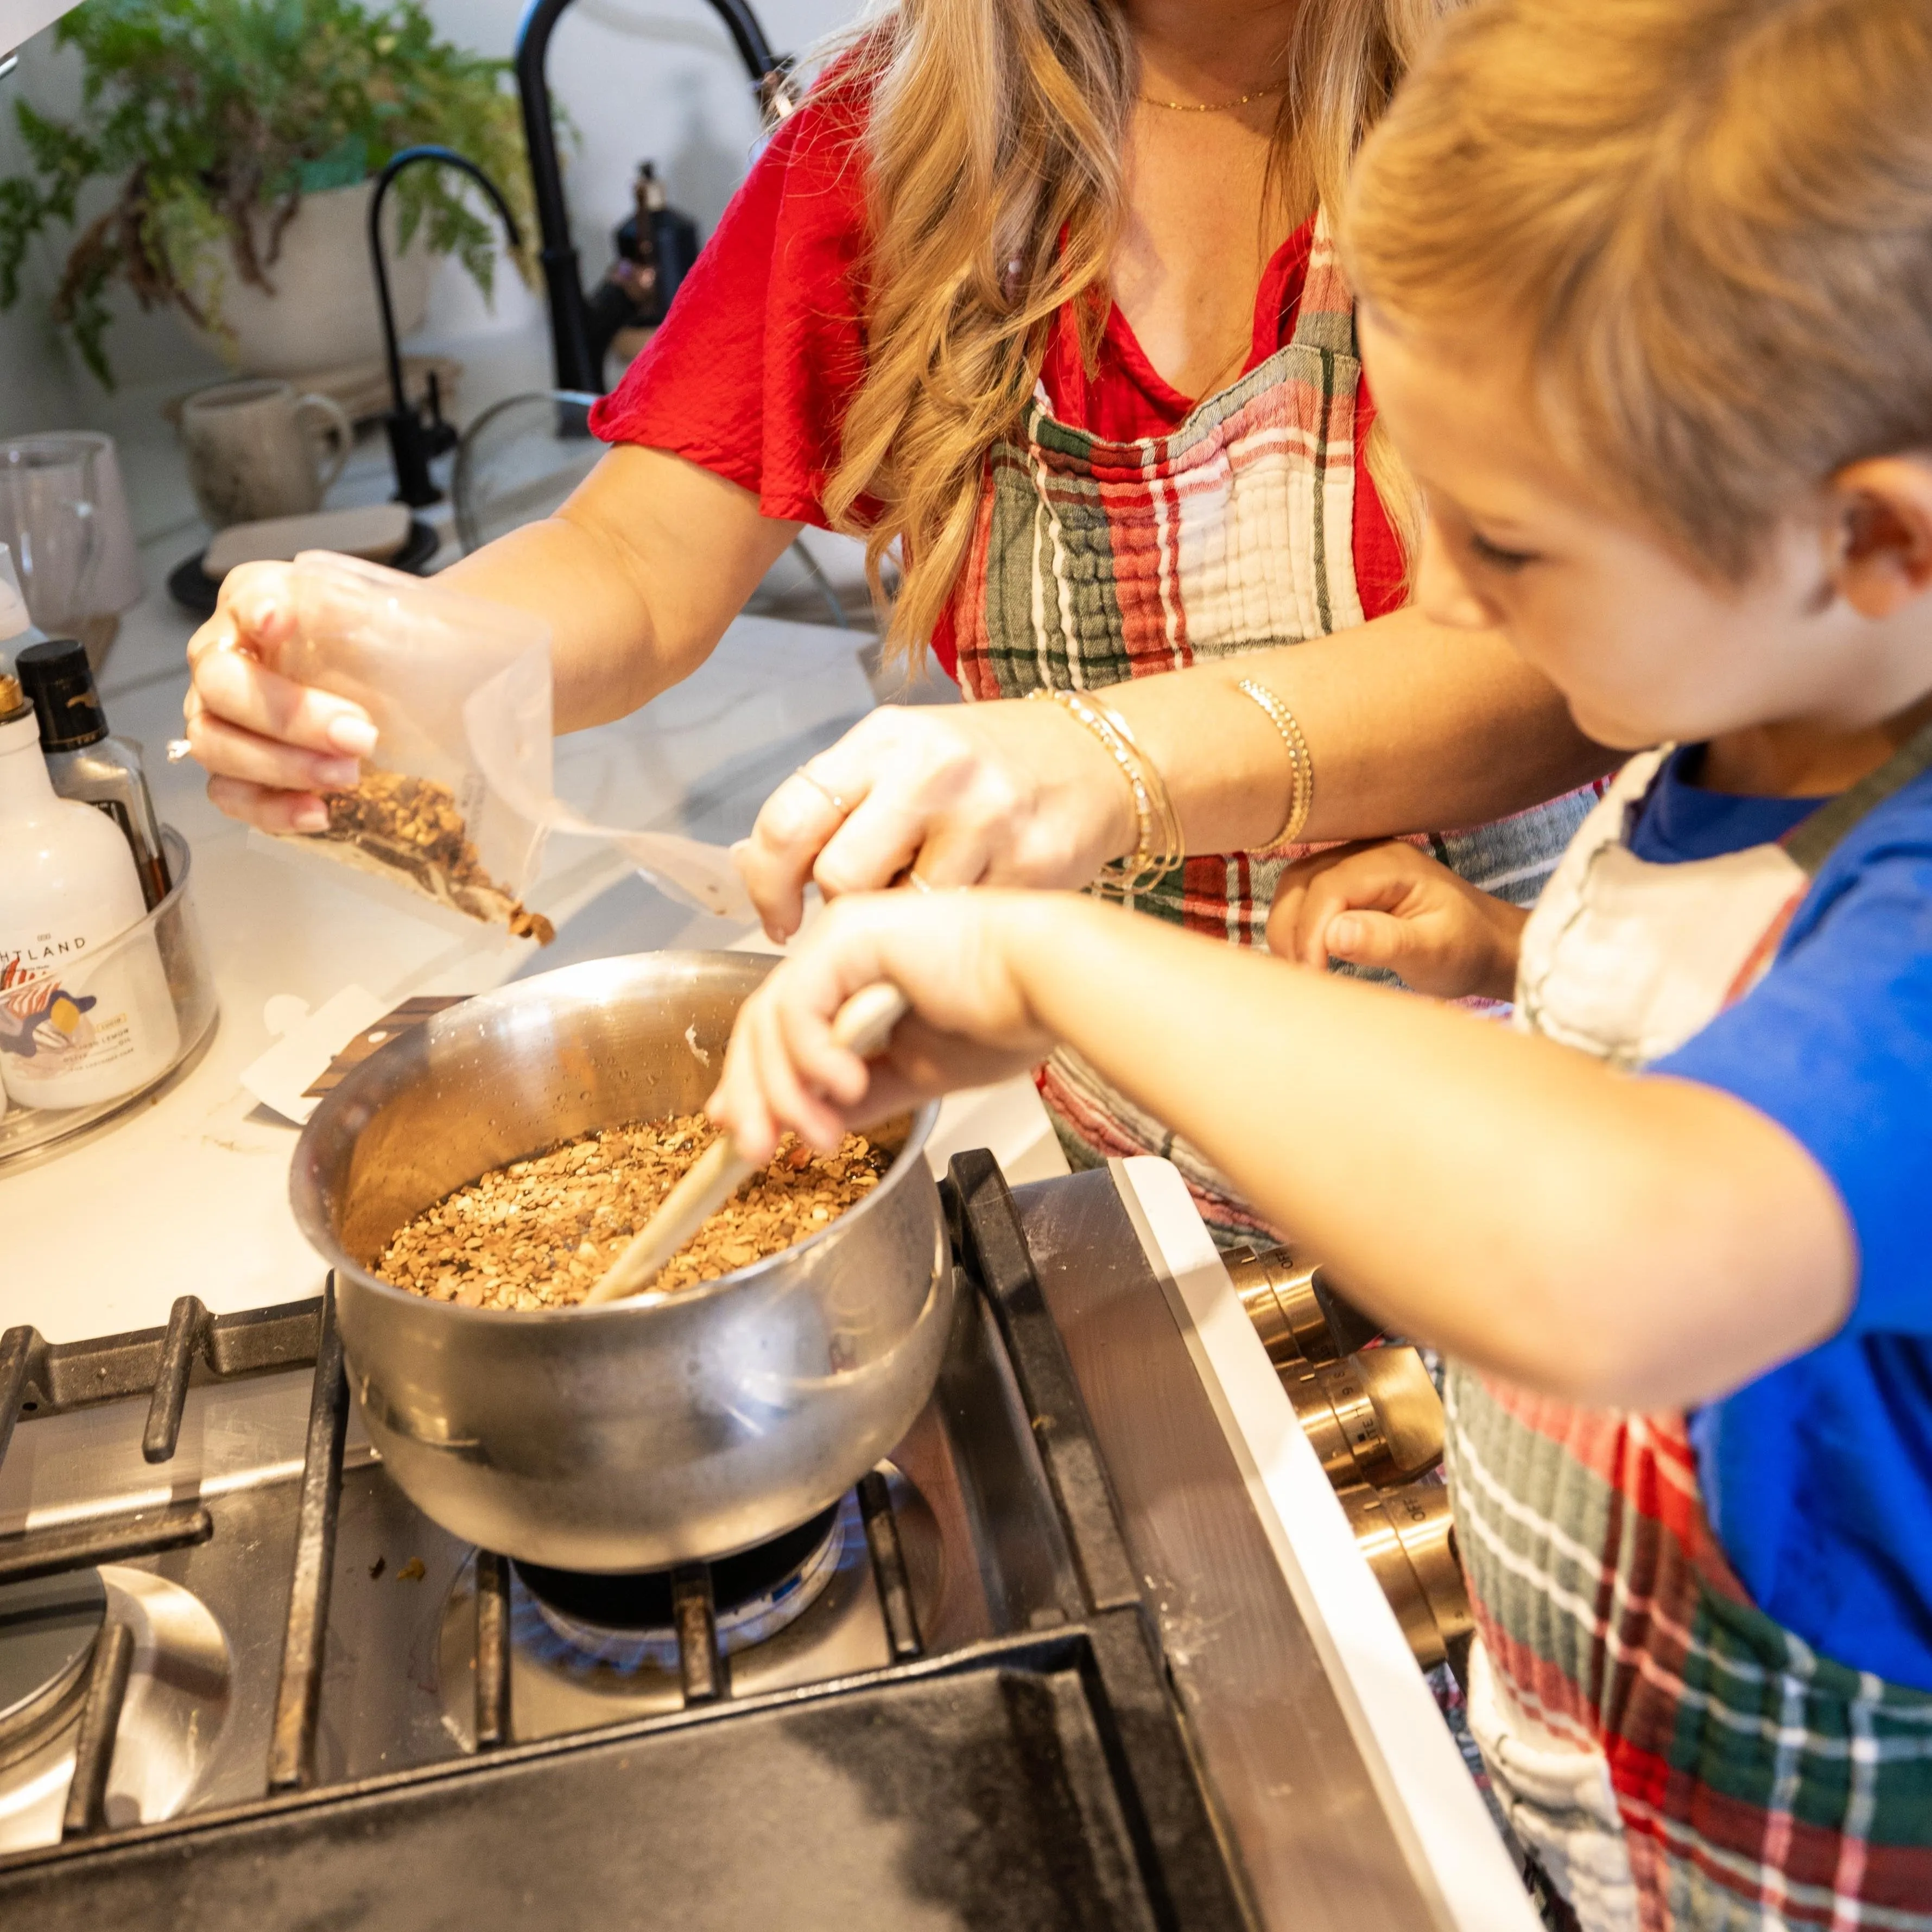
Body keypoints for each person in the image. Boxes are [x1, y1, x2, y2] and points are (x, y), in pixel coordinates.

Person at [705, 0, 1932, 1923]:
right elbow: (1723, 1054)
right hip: (1600, 1793)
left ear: (1878, 548)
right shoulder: (1760, 746)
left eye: (1509, 547)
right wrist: (1513, 955)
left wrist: (1051, 964)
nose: (1439, 602)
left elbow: (1631, 1246)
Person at [179, 0, 1608, 1239]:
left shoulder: (1572, 96)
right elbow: (633, 559)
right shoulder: (897, 147)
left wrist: (1099, 759)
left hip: (1554, 1144)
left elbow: (1586, 660)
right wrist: (381, 654)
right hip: (1147, 1184)